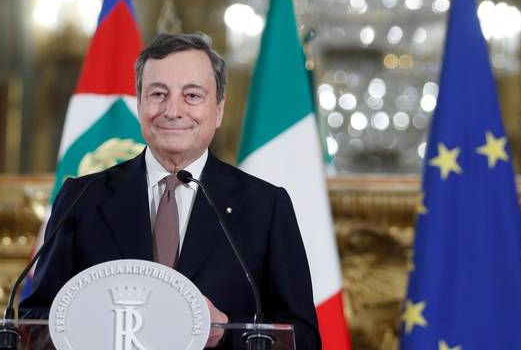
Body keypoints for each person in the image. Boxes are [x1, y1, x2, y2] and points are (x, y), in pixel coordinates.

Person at [19, 33, 321, 349]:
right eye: (158, 94)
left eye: (192, 95)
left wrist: (225, 332)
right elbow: (35, 320)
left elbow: (303, 337)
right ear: (139, 103)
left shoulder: (265, 207)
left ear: (218, 109)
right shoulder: (81, 198)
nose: (172, 110)